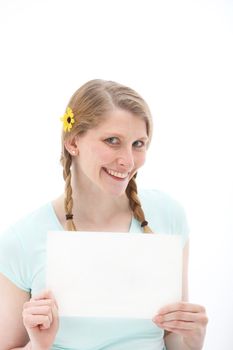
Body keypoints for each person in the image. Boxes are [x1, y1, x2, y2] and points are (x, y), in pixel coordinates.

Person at [0, 79, 208, 350]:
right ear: (73, 142)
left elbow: (173, 341)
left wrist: (194, 339)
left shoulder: (168, 216)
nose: (128, 160)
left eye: (138, 143)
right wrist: (38, 345)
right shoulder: (21, 240)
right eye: (113, 141)